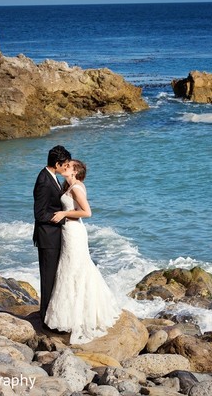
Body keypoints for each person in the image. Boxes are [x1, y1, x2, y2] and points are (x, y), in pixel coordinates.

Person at [44, 159, 121, 344]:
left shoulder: (77, 188)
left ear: (75, 171)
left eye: (68, 166)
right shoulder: (71, 186)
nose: (65, 166)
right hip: (69, 231)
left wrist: (63, 214)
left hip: (74, 232)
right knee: (72, 269)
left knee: (74, 270)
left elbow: (87, 212)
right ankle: (71, 315)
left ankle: (78, 319)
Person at [33, 145, 72, 324]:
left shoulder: (52, 176)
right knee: (48, 278)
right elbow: (40, 214)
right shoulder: (43, 180)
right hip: (47, 237)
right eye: (64, 164)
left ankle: (49, 314)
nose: (66, 167)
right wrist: (62, 218)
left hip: (52, 235)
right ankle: (45, 317)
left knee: (54, 276)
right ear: (57, 163)